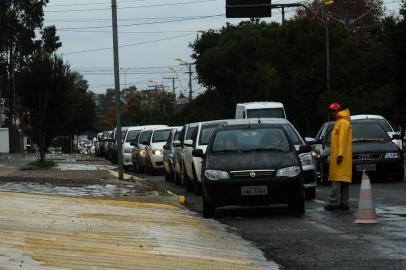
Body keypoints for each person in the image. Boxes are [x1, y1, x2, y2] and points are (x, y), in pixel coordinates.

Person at [324, 102, 353, 211]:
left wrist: (340, 154)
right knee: (344, 180)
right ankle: (344, 203)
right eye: (331, 111)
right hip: (342, 157)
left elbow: (342, 139)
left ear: (339, 110)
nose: (333, 113)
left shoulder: (343, 123)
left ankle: (333, 202)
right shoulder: (339, 122)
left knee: (337, 180)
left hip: (340, 157)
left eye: (334, 110)